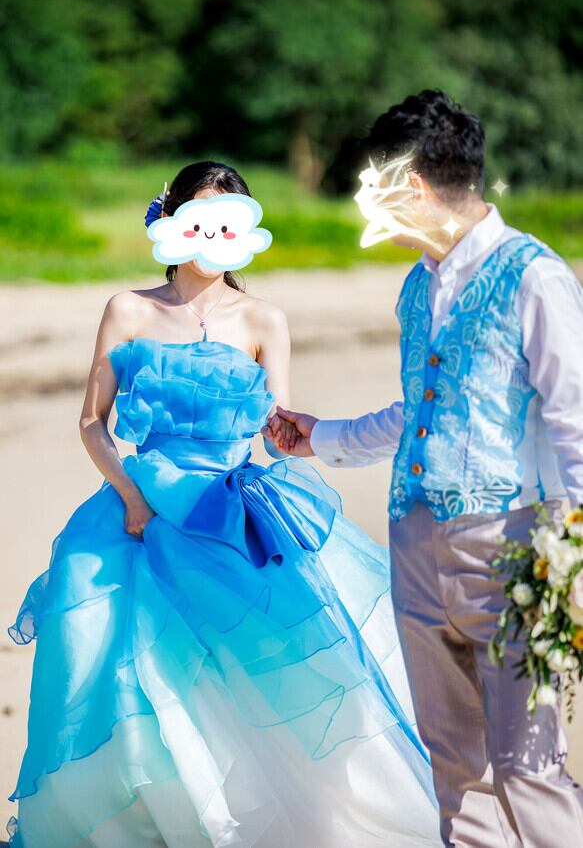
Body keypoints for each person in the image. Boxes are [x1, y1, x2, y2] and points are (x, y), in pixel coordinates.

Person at [7, 160, 441, 847]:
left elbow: (277, 429)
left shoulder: (264, 318)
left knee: (257, 660)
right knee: (110, 663)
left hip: (226, 510)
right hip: (139, 510)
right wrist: (131, 498)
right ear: (171, 221)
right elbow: (92, 422)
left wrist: (308, 450)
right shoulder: (127, 309)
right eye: (200, 217)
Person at [265, 90, 583, 847]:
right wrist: (324, 437)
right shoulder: (418, 284)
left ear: (408, 185)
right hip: (412, 543)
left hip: (512, 548)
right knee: (456, 770)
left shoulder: (533, 277)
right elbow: (420, 408)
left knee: (528, 767)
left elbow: (574, 420)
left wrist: (575, 558)